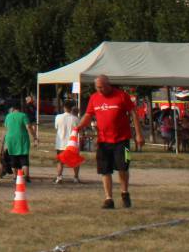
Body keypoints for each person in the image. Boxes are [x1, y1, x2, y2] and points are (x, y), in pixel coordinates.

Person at [77, 75, 144, 209]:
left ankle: (124, 193)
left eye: (101, 87)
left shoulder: (121, 96)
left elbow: (133, 113)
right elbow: (88, 115)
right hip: (103, 141)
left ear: (108, 85)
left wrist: (138, 135)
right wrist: (79, 127)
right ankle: (109, 199)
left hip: (122, 140)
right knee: (105, 170)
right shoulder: (94, 98)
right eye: (97, 87)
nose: (99, 90)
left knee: (123, 168)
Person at [3, 102, 31, 182]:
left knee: (13, 158)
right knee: (24, 158)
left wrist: (4, 141)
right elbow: (28, 127)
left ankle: (15, 176)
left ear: (13, 109)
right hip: (22, 139)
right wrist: (34, 137)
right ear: (20, 108)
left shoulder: (8, 116)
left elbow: (6, 129)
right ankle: (26, 176)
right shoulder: (23, 115)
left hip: (10, 139)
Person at [54, 100, 81, 184]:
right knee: (75, 161)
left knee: (60, 161)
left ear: (64, 107)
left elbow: (56, 127)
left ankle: (59, 177)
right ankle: (76, 177)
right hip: (72, 143)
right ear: (72, 108)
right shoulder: (76, 119)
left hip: (60, 143)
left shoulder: (58, 117)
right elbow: (79, 130)